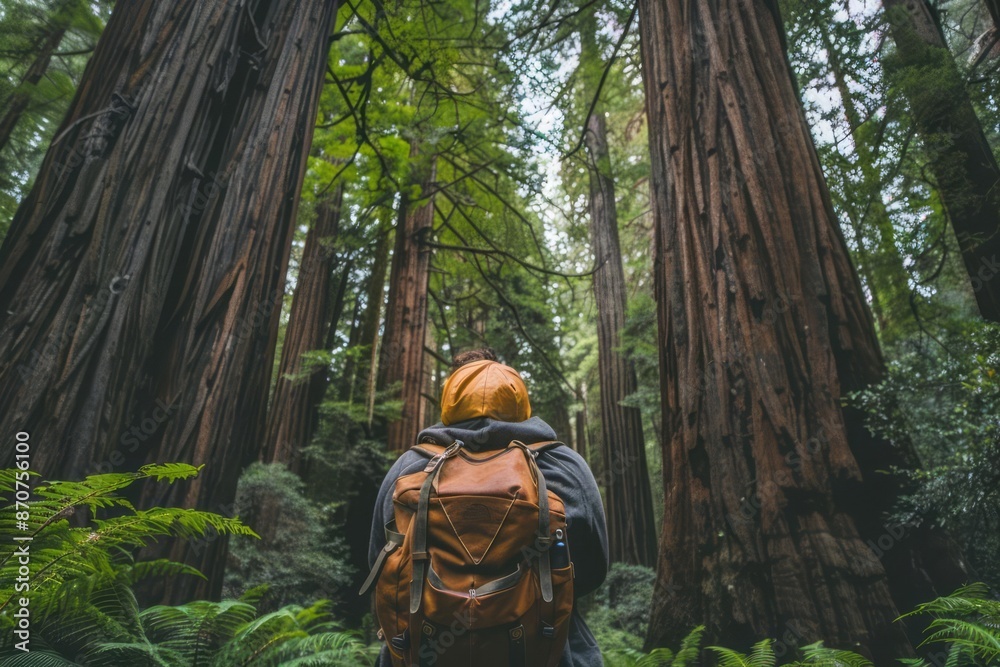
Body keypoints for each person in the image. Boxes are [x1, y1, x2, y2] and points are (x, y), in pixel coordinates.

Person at [368, 348, 609, 666]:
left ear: (451, 399)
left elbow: (379, 564)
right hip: (547, 648)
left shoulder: (410, 466)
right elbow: (593, 569)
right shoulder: (563, 463)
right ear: (518, 398)